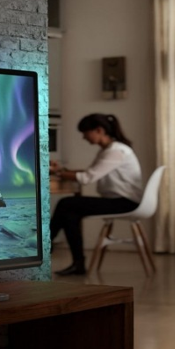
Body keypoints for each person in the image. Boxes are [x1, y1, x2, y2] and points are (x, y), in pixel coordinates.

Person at [49, 113, 143, 275]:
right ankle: (76, 263)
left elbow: (86, 178)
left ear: (99, 130)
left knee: (66, 204)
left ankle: (46, 245)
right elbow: (89, 172)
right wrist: (61, 171)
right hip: (119, 200)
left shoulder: (116, 151)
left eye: (85, 133)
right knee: (70, 213)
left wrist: (59, 173)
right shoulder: (109, 150)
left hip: (125, 202)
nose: (84, 137)